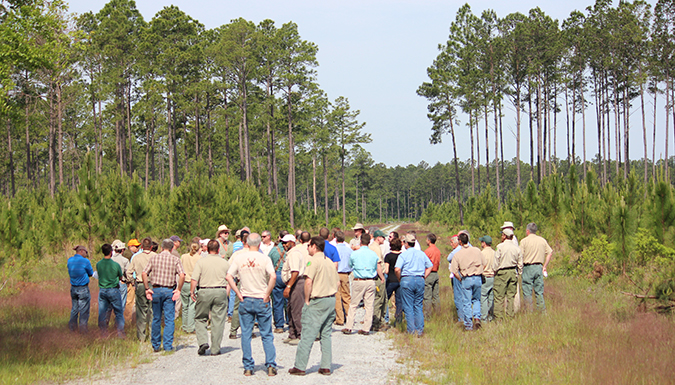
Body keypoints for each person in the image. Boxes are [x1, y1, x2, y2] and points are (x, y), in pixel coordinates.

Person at [226, 233, 277, 377]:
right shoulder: (264, 258)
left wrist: (237, 292)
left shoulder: (239, 258)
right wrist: (267, 293)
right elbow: (273, 276)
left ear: (246, 243)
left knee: (246, 334)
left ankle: (248, 366)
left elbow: (228, 276)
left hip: (246, 298)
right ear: (260, 243)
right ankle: (271, 365)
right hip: (261, 298)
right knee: (266, 334)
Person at [289, 236, 339, 376]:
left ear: (314, 246)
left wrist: (306, 300)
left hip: (318, 301)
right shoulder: (329, 261)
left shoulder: (312, 262)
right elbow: (338, 283)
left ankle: (300, 366)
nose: (307, 248)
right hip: (330, 300)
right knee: (326, 334)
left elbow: (308, 282)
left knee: (307, 335)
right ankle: (326, 366)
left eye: (309, 245)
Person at [142, 239, 185, 352]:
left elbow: (144, 273)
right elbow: (182, 275)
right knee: (169, 319)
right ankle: (167, 345)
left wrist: (147, 288)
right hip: (169, 290)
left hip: (156, 290)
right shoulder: (175, 259)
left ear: (161, 248)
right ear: (171, 249)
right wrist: (178, 289)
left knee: (156, 317)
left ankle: (156, 345)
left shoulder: (154, 258)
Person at [191, 239, 230, 356]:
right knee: (218, 320)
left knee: (200, 317)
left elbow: (194, 279)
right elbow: (230, 279)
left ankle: (203, 341)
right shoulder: (225, 262)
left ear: (207, 249)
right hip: (220, 290)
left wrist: (192, 291)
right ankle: (215, 348)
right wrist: (226, 292)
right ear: (218, 250)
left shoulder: (201, 262)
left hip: (204, 290)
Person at [343, 233, 383, 335]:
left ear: (360, 241)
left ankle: (349, 327)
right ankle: (366, 328)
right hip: (370, 280)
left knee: (354, 304)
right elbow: (377, 266)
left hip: (359, 280)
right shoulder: (373, 254)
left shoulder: (355, 253)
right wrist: (382, 277)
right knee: (369, 305)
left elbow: (350, 264)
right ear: (369, 242)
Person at [395, 234, 433, 336]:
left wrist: (400, 278)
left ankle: (411, 330)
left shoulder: (403, 255)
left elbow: (397, 269)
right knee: (418, 305)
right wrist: (424, 276)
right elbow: (430, 266)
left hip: (407, 279)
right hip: (419, 279)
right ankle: (420, 330)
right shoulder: (421, 254)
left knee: (408, 306)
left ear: (406, 243)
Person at [450, 233, 485, 331]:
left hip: (466, 278)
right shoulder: (477, 250)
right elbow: (484, 263)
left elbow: (454, 270)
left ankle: (468, 324)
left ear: (460, 242)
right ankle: (477, 317)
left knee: (466, 301)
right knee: (477, 299)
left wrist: (460, 278)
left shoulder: (458, 254)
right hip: (478, 277)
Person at [126, 237, 156, 341]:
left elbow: (129, 272)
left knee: (141, 311)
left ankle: (141, 337)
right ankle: (153, 335)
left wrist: (132, 281)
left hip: (140, 284)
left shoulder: (136, 257)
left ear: (142, 247)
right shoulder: (155, 256)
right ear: (151, 247)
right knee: (153, 310)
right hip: (153, 285)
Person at [282, 232, 310, 344]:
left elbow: (295, 272)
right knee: (290, 309)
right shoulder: (290, 253)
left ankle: (300, 335)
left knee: (297, 310)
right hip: (294, 282)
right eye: (282, 243)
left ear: (292, 242)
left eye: (285, 243)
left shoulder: (294, 254)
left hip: (296, 283)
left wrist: (288, 286)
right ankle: (292, 334)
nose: (284, 245)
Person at [519, 223, 553, 312]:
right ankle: (542, 312)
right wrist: (544, 266)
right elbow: (550, 252)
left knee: (527, 292)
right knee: (539, 292)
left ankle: (529, 313)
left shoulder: (524, 241)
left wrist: (519, 268)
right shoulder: (542, 240)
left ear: (527, 231)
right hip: (539, 268)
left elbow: (520, 255)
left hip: (527, 268)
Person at [492, 228, 523, 320]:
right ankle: (510, 316)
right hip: (513, 272)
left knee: (499, 296)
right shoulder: (517, 248)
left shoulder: (500, 246)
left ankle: (499, 318)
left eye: (502, 235)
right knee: (511, 296)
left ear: (505, 236)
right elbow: (520, 263)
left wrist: (495, 271)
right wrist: (519, 273)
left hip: (502, 272)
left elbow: (496, 261)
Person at [97, 243, 125, 337]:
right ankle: (120, 333)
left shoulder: (98, 264)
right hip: (113, 290)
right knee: (118, 312)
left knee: (102, 312)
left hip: (102, 290)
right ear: (111, 252)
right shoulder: (115, 265)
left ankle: (103, 333)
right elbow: (121, 277)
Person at [447, 230, 471, 323]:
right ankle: (468, 317)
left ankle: (461, 318)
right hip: (470, 273)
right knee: (467, 296)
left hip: (460, 273)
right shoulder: (473, 248)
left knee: (458, 296)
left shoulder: (458, 249)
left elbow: (449, 258)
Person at [68, 245, 93, 333]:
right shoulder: (85, 261)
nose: (86, 254)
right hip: (83, 288)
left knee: (74, 309)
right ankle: (83, 330)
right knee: (84, 310)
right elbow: (90, 273)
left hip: (73, 288)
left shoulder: (70, 260)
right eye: (86, 252)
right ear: (82, 251)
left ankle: (72, 328)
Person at [268, 230, 289, 333]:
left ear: (280, 238)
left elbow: (269, 263)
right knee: (289, 300)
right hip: (288, 276)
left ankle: (279, 325)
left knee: (277, 301)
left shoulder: (273, 250)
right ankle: (290, 321)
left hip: (277, 275)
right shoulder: (291, 249)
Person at [180, 241, 202, 333]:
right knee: (192, 306)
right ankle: (190, 327)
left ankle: (184, 326)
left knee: (184, 306)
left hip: (184, 282)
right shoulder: (199, 258)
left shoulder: (183, 257)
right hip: (194, 283)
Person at [369, 229, 388, 331]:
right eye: (382, 237)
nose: (384, 239)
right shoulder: (376, 249)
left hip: (376, 276)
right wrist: (382, 277)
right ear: (378, 238)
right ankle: (376, 323)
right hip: (378, 277)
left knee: (382, 299)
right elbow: (378, 265)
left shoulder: (373, 247)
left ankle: (380, 321)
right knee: (379, 300)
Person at [334, 230, 352, 326]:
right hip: (345, 274)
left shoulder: (334, 249)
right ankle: (349, 317)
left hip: (336, 274)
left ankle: (339, 319)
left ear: (336, 239)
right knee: (347, 296)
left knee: (337, 297)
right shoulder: (349, 250)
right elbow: (352, 263)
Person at [384, 237, 403, 326]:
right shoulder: (402, 255)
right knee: (399, 301)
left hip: (391, 280)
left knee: (385, 299)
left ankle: (385, 318)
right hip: (400, 280)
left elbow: (386, 270)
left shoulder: (388, 256)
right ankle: (398, 319)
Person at [110, 240, 129, 318]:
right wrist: (129, 281)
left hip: (109, 284)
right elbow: (128, 273)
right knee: (121, 306)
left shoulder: (109, 260)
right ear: (122, 250)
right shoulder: (125, 260)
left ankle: (105, 325)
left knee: (109, 306)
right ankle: (118, 326)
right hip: (121, 283)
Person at [479, 235, 496, 321]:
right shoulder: (494, 252)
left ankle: (484, 317)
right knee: (491, 297)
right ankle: (491, 316)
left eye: (482, 242)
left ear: (484, 243)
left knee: (483, 298)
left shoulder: (482, 253)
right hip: (493, 277)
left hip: (485, 277)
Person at [423, 233, 441, 315]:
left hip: (429, 274)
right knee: (436, 295)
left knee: (427, 296)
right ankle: (438, 312)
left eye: (427, 239)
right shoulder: (438, 250)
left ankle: (427, 314)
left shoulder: (427, 251)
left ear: (429, 241)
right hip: (436, 274)